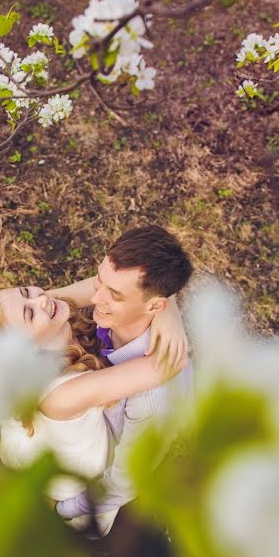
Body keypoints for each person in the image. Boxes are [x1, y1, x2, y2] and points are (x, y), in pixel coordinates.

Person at [0, 286, 176, 534]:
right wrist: (168, 312)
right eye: (29, 313)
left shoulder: (46, 317)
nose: (40, 299)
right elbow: (167, 365)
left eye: (26, 291)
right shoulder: (60, 397)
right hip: (87, 486)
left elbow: (121, 280)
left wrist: (160, 294)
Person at [45, 225, 194, 532]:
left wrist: (63, 508)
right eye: (99, 281)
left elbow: (124, 482)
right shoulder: (124, 312)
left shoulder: (153, 397)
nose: (95, 297)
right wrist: (40, 301)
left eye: (113, 295)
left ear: (155, 306)